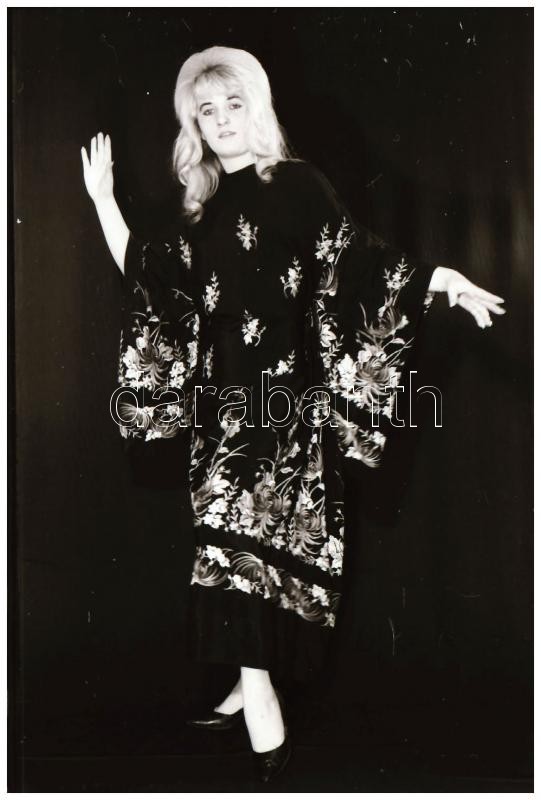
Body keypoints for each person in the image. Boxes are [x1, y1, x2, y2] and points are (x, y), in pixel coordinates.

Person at [81, 45, 505, 782]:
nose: (220, 121)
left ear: (257, 107)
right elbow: (148, 277)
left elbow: (363, 263)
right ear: (194, 126)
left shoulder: (300, 186)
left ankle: (255, 693)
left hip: (287, 407)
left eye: (232, 105)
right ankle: (252, 687)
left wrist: (443, 280)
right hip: (221, 410)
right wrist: (102, 201)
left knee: (270, 546)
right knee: (225, 545)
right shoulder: (200, 208)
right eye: (205, 112)